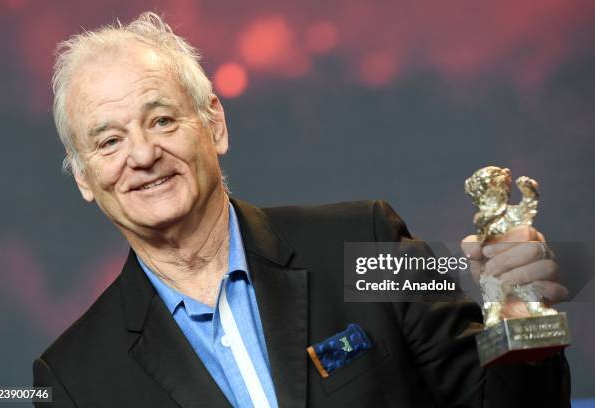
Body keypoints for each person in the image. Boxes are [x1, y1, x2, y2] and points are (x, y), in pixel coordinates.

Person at [33, 12, 570, 407]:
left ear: (214, 124)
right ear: (84, 176)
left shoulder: (370, 240)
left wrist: (522, 329)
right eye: (108, 142)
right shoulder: (72, 379)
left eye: (163, 121)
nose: (144, 155)